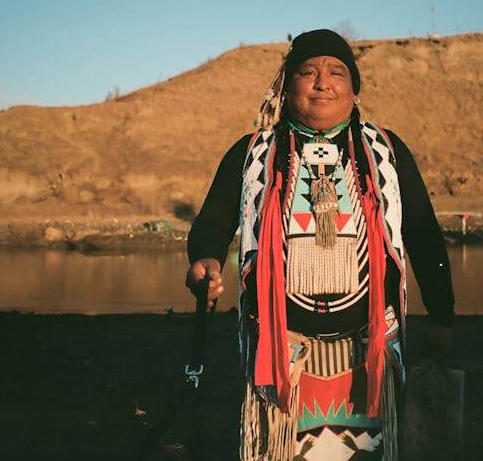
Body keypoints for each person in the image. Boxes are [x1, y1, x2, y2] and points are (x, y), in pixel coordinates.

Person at [186, 28, 454, 461]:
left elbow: (423, 234)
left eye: (336, 72)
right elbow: (212, 225)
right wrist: (204, 260)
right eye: (307, 72)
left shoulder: (385, 152)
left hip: (371, 353)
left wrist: (442, 315)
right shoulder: (255, 153)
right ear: (287, 86)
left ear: (354, 89)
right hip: (280, 357)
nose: (322, 82)